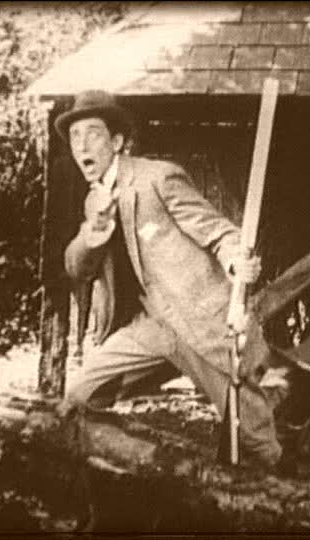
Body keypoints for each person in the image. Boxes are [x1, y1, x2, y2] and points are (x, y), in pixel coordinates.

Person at [56, 89, 288, 468]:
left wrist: (236, 262)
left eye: (93, 134)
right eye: (75, 136)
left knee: (252, 439)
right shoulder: (94, 199)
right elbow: (76, 269)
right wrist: (92, 231)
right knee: (79, 396)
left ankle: (277, 493)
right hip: (148, 327)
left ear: (116, 141)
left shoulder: (158, 178)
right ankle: (124, 471)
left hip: (196, 323)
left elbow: (219, 232)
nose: (82, 145)